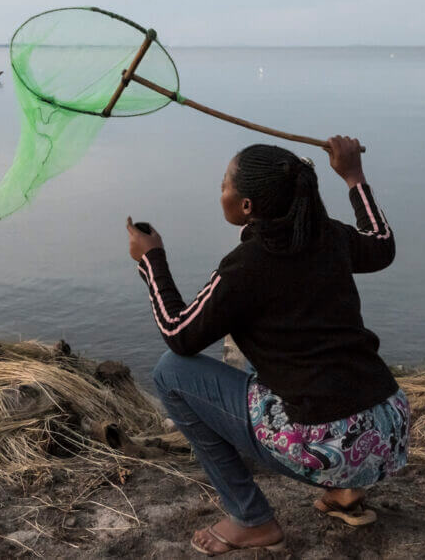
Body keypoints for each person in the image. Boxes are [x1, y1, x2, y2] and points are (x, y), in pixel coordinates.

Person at [125, 136, 409, 556]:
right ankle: (347, 493)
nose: (220, 189)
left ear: (246, 207)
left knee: (170, 372)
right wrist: (353, 177)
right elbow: (381, 245)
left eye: (225, 183)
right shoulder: (329, 236)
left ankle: (251, 519)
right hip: (388, 430)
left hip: (329, 446)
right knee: (286, 373)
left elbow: (179, 333)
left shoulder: (246, 267)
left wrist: (151, 260)